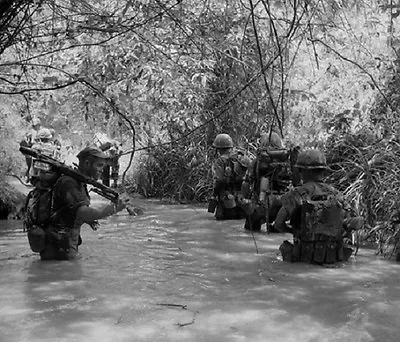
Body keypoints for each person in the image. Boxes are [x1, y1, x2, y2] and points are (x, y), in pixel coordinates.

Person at [275, 149, 363, 265]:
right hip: (333, 257)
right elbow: (353, 221)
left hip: (304, 257)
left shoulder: (297, 194)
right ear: (323, 171)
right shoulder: (337, 194)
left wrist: (295, 232)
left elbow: (278, 224)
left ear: (301, 171)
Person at [39, 147, 126, 260]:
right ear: (87, 163)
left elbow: (69, 209)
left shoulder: (79, 182)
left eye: (103, 167)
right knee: (67, 275)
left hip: (64, 241)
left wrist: (88, 220)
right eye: (99, 165)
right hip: (59, 244)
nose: (102, 170)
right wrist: (114, 209)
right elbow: (82, 211)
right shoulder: (69, 182)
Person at [240, 132, 300, 232]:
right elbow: (297, 182)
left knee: (250, 228)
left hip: (263, 204)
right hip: (286, 204)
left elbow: (246, 182)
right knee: (280, 230)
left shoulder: (258, 161)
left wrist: (243, 198)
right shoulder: (288, 161)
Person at [209, 133, 250, 220]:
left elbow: (219, 180)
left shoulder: (220, 161)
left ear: (219, 149)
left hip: (227, 202)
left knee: (221, 219)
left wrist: (214, 194)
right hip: (243, 200)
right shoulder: (242, 158)